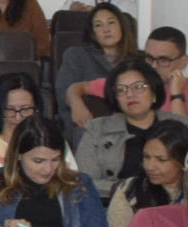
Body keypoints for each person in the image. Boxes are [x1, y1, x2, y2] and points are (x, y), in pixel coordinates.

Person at [0, 116, 114, 227]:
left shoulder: (79, 185)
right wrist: (3, 226)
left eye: (55, 160)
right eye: (38, 161)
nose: (48, 169)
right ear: (18, 155)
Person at [74, 59, 172, 189]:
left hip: (172, 206)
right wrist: (130, 189)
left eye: (138, 87)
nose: (130, 95)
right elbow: (84, 182)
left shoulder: (187, 125)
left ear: (154, 91)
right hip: (113, 204)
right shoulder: (96, 129)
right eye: (121, 90)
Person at [103, 118, 188, 227]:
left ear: (183, 160)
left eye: (161, 160)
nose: (150, 166)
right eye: (146, 157)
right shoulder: (129, 190)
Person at [117, 26, 188, 135]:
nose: (154, 66)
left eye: (163, 60)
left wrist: (177, 96)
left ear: (183, 62)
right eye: (149, 58)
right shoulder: (129, 90)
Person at [57, 4, 141, 122]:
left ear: (122, 26)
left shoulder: (138, 60)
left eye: (111, 22)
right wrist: (77, 104)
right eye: (98, 25)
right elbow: (63, 94)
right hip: (88, 120)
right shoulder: (77, 55)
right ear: (93, 33)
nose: (106, 29)